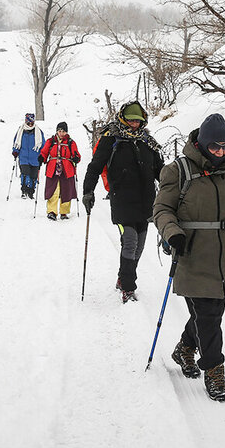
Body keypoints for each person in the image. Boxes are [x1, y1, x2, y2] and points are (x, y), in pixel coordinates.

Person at [153, 113, 225, 402]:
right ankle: (214, 368)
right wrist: (173, 233)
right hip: (193, 254)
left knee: (210, 312)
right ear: (203, 144)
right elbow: (161, 210)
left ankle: (184, 348)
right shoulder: (177, 171)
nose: (221, 152)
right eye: (215, 147)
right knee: (208, 316)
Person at [82, 101, 164, 303]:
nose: (134, 124)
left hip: (146, 201)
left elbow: (160, 171)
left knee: (140, 245)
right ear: (122, 118)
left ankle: (123, 277)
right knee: (130, 241)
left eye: (138, 121)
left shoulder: (147, 141)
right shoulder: (111, 139)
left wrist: (173, 190)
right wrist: (88, 192)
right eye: (130, 120)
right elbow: (94, 167)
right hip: (122, 200)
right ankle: (128, 287)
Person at [39, 121, 81, 220]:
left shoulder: (71, 142)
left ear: (66, 132)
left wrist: (76, 158)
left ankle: (64, 212)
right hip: (53, 169)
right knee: (53, 191)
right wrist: (42, 157)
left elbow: (76, 154)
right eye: (59, 131)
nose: (61, 133)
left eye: (63, 131)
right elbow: (44, 152)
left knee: (66, 191)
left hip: (67, 169)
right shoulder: (51, 141)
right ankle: (52, 212)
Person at [12, 112, 45, 198]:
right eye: (28, 123)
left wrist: (43, 155)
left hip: (35, 158)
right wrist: (15, 151)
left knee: (34, 176)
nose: (30, 125)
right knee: (25, 174)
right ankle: (24, 190)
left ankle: (31, 192)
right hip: (24, 157)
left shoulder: (38, 132)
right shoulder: (20, 131)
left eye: (32, 123)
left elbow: (43, 145)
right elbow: (16, 142)